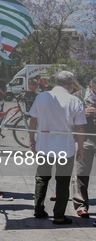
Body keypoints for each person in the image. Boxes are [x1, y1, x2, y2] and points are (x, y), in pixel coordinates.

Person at [29, 70, 86, 224]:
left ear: (55, 81)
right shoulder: (74, 100)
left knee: (41, 178)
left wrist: (31, 140)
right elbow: (80, 128)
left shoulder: (42, 97)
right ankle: (59, 215)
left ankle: (38, 210)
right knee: (63, 181)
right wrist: (80, 148)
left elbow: (33, 121)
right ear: (70, 84)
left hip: (44, 145)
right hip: (65, 147)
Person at [72, 77, 96, 218]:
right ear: (91, 85)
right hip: (84, 139)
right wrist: (83, 113)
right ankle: (81, 205)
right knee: (81, 173)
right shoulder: (78, 96)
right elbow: (67, 116)